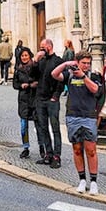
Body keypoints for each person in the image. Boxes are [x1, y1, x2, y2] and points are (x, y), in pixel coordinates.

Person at [51, 51, 105, 195]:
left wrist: (83, 77)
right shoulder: (70, 75)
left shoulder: (94, 76)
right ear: (78, 62)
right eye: (84, 63)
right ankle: (82, 179)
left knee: (91, 149)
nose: (86, 66)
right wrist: (67, 64)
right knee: (76, 148)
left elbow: (96, 90)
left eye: (88, 63)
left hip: (89, 116)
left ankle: (93, 181)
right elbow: (54, 75)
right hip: (73, 116)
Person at [33, 38, 64, 168]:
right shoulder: (41, 61)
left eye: (42, 47)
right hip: (40, 98)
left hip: (52, 100)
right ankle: (48, 153)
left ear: (49, 47)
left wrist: (56, 96)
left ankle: (57, 156)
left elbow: (62, 80)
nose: (40, 49)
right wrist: (35, 61)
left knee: (55, 128)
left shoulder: (58, 61)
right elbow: (33, 75)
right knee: (43, 127)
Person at [13, 47, 43, 159]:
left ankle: (42, 147)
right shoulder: (18, 69)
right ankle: (26, 148)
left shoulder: (35, 67)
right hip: (23, 100)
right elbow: (15, 84)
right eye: (22, 56)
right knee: (23, 126)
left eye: (26, 55)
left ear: (30, 56)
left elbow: (39, 81)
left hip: (34, 99)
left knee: (38, 125)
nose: (24, 57)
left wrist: (32, 85)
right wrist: (21, 86)